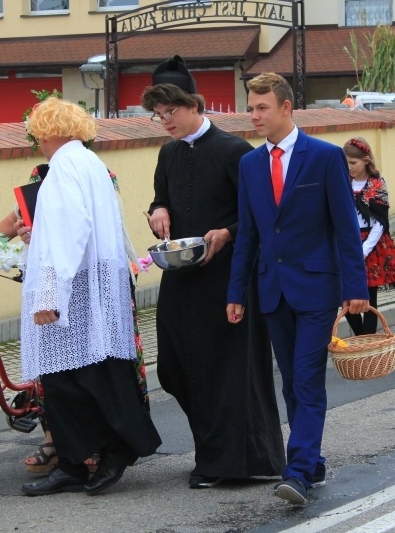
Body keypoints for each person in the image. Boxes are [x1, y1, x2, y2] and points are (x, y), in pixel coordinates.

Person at [140, 55, 285, 490]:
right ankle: (213, 453)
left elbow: (262, 214)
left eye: (171, 112)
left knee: (227, 372)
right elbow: (159, 199)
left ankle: (236, 461)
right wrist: (157, 211)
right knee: (176, 367)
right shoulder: (167, 153)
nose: (165, 121)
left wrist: (227, 233)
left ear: (193, 105)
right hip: (181, 277)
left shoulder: (235, 151)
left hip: (227, 279)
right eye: (158, 114)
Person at [226, 72, 369, 506]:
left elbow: (346, 226)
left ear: (286, 108)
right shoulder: (250, 164)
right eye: (250, 108)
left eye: (262, 107)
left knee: (306, 379)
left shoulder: (324, 158)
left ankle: (300, 471)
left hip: (317, 288)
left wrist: (355, 286)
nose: (254, 116)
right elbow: (247, 234)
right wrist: (236, 292)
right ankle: (313, 459)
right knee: (290, 381)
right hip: (271, 289)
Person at [18, 96, 161, 497]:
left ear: (51, 131)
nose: (37, 141)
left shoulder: (65, 167)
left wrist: (49, 295)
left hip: (76, 287)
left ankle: (108, 452)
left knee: (84, 378)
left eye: (39, 133)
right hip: (93, 284)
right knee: (71, 378)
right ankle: (74, 460)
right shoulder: (88, 163)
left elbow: (68, 233)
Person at [0, 163, 149, 475]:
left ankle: (99, 443)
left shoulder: (97, 172)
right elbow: (18, 219)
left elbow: (96, 228)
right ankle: (60, 442)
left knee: (92, 366)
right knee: (57, 370)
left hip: (90, 280)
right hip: (57, 277)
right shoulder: (41, 174)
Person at [342, 137, 395, 335]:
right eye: (346, 163)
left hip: (372, 245)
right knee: (345, 295)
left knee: (369, 296)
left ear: (366, 160)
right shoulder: (343, 183)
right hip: (348, 242)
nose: (349, 167)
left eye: (353, 163)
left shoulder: (377, 184)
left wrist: (364, 250)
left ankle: (369, 338)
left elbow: (380, 222)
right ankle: (359, 337)